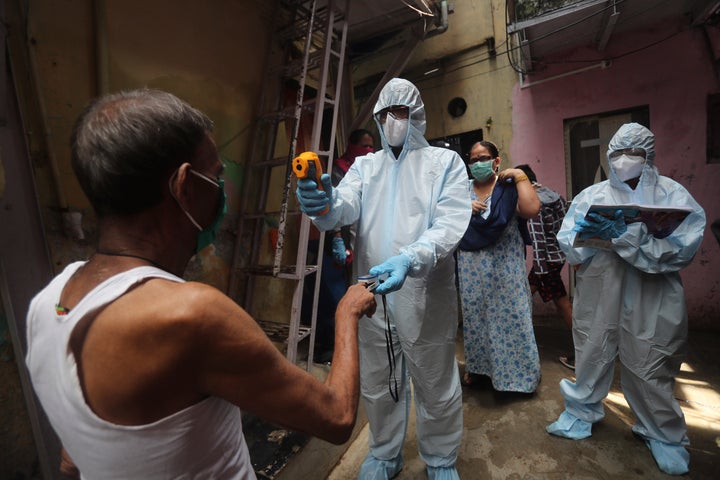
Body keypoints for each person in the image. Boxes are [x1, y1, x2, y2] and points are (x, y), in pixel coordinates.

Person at [24, 89, 377, 479]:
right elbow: (338, 415)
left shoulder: (47, 302)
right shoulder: (191, 316)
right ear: (183, 186)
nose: (221, 191)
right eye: (216, 176)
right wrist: (347, 310)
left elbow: (71, 461)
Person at [296, 78, 471, 480]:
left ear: (417, 116)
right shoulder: (365, 166)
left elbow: (450, 224)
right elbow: (345, 206)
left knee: (434, 380)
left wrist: (411, 258)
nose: (392, 121)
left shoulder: (443, 164)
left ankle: (441, 459)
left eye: (400, 113)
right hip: (373, 289)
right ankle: (384, 452)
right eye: (385, 114)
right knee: (377, 379)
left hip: (425, 290)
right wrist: (323, 206)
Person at [546, 123, 706, 475]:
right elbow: (569, 246)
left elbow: (680, 252)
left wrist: (630, 238)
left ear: (648, 156)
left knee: (649, 363)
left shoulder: (672, 196)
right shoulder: (592, 196)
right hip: (600, 291)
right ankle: (580, 411)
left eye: (632, 154)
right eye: (617, 153)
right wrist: (591, 237)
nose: (623, 161)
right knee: (591, 350)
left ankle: (661, 433)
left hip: (653, 296)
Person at [456, 141, 541, 393]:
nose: (477, 163)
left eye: (483, 158)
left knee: (513, 320)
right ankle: (481, 370)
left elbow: (531, 209)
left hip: (506, 267)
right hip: (471, 268)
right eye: (472, 159)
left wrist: (519, 175)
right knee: (476, 320)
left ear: (496, 161)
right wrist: (462, 208)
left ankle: (519, 378)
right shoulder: (460, 190)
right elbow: (441, 214)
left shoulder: (507, 187)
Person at [310, 129, 375, 364]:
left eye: (371, 147)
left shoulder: (370, 170)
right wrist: (337, 236)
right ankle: (330, 349)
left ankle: (350, 344)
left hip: (358, 242)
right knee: (335, 297)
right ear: (351, 145)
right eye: (364, 147)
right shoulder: (338, 170)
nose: (368, 151)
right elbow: (335, 206)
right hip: (333, 242)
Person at [516, 164, 574, 370]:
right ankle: (517, 343)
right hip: (557, 256)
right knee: (524, 296)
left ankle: (584, 351)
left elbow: (539, 240)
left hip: (546, 262)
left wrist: (541, 271)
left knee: (562, 304)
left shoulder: (535, 201)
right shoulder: (554, 195)